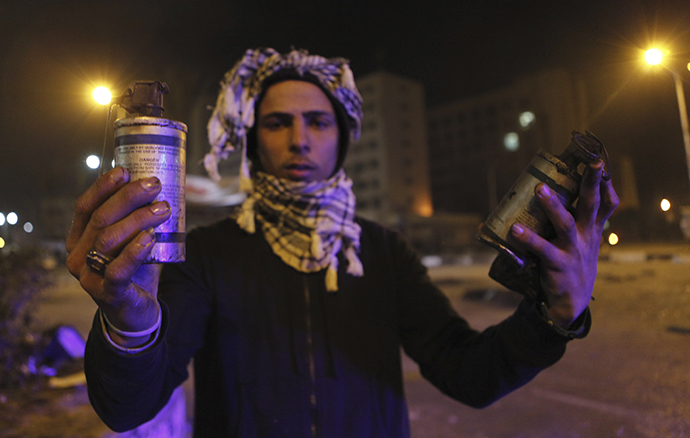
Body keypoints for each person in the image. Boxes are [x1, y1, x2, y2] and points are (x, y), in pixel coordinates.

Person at [66, 47, 619, 437]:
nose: (300, 138)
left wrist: (554, 316)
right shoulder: (209, 254)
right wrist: (129, 323)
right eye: (278, 122)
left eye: (319, 122)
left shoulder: (383, 252)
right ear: (254, 143)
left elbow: (468, 373)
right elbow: (127, 407)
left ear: (344, 138)